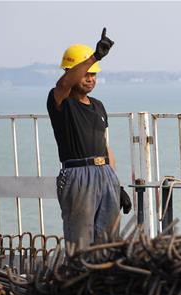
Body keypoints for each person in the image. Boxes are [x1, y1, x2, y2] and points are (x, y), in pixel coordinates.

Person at [47, 28, 131, 250]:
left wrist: (117, 185)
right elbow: (63, 85)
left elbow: (104, 146)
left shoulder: (98, 106)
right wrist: (95, 57)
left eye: (93, 74)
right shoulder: (61, 102)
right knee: (81, 242)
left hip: (105, 174)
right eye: (85, 73)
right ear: (71, 71)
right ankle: (77, 282)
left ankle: (105, 283)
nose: (90, 78)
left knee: (109, 242)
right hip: (77, 174)